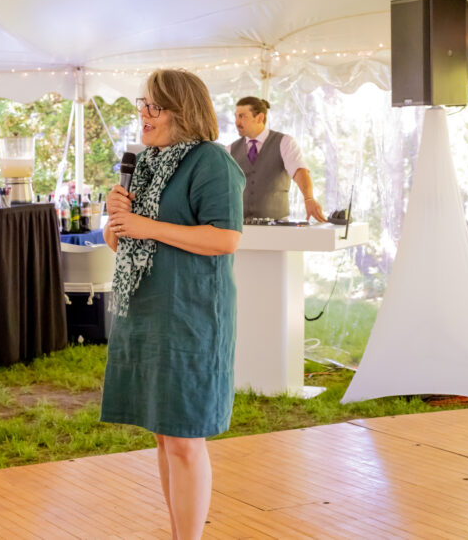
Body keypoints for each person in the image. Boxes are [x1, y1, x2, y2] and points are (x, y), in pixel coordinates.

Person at [102, 69, 244, 539]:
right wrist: (117, 222)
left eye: (153, 107)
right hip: (146, 310)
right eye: (141, 105)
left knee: (185, 439)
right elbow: (123, 243)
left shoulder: (212, 162)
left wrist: (147, 226)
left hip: (191, 313)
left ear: (183, 113)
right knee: (165, 435)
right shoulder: (147, 162)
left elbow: (225, 239)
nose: (142, 115)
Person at [229, 96, 326, 221]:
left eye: (242, 116)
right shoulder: (230, 149)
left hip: (278, 226)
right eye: (236, 116)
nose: (237, 122)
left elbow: (298, 171)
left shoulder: (284, 142)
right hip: (241, 226)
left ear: (260, 118)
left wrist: (309, 199)